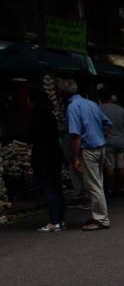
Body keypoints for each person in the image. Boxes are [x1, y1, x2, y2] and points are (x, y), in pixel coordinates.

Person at [59, 79, 111, 230]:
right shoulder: (91, 103)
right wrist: (100, 137)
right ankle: (100, 215)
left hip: (88, 150)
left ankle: (101, 219)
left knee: (93, 186)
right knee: (97, 184)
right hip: (100, 147)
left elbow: (75, 135)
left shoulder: (73, 107)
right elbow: (107, 124)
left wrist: (75, 157)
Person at [29, 91, 66, 232]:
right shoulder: (51, 117)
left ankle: (54, 221)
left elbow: (30, 136)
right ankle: (60, 220)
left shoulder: (37, 118)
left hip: (42, 156)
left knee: (48, 188)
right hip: (54, 155)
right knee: (56, 187)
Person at [99, 91, 124, 195]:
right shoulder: (121, 110)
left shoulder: (100, 109)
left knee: (110, 166)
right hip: (121, 140)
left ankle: (111, 188)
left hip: (108, 140)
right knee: (123, 165)